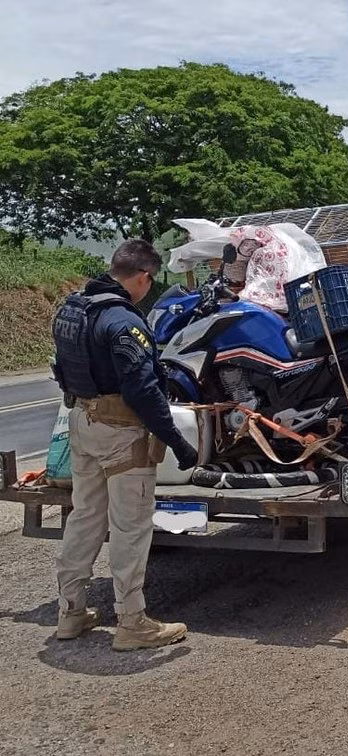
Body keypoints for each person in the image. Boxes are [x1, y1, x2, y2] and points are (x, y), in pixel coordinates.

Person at [51, 239, 199, 650]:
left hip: (81, 421)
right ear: (142, 277)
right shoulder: (122, 321)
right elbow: (144, 390)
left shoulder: (73, 308)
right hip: (121, 433)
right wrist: (177, 441)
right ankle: (133, 622)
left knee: (85, 518)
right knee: (130, 528)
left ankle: (71, 613)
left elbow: (60, 368)